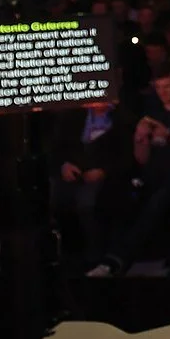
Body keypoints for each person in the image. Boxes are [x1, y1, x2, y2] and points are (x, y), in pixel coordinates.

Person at [89, 63, 170, 277]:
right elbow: (142, 159)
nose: (163, 92)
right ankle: (105, 257)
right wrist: (139, 139)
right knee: (122, 195)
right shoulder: (153, 110)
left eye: (167, 87)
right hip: (154, 172)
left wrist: (169, 134)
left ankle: (117, 261)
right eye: (159, 87)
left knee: (159, 200)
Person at [47, 96, 128, 267]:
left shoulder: (122, 118)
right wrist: (64, 165)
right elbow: (55, 148)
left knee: (87, 202)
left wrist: (104, 171)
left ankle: (94, 257)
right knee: (53, 196)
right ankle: (62, 256)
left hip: (102, 173)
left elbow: (127, 156)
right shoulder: (72, 116)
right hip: (73, 170)